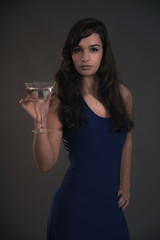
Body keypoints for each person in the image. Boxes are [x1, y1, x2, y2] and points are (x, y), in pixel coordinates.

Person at [20, 18, 134, 240]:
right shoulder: (61, 102)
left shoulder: (123, 95)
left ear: (104, 52)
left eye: (93, 49)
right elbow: (46, 164)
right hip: (73, 211)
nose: (85, 57)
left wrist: (125, 184)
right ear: (70, 55)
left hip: (110, 209)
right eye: (77, 50)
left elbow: (127, 139)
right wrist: (39, 120)